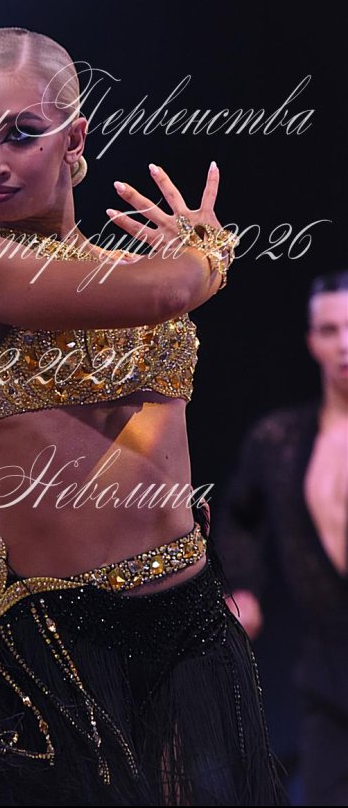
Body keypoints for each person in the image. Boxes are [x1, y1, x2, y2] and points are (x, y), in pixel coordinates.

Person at [0, 26, 289, 806]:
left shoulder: (130, 272)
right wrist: (208, 253)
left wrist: (181, 263)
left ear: (75, 138)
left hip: (190, 626)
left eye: (20, 133)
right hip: (53, 644)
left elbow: (152, 411)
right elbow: (169, 290)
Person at [215, 270, 348, 807]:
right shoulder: (280, 441)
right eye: (330, 330)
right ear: (312, 341)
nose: (345, 344)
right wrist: (244, 587)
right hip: (328, 670)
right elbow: (239, 516)